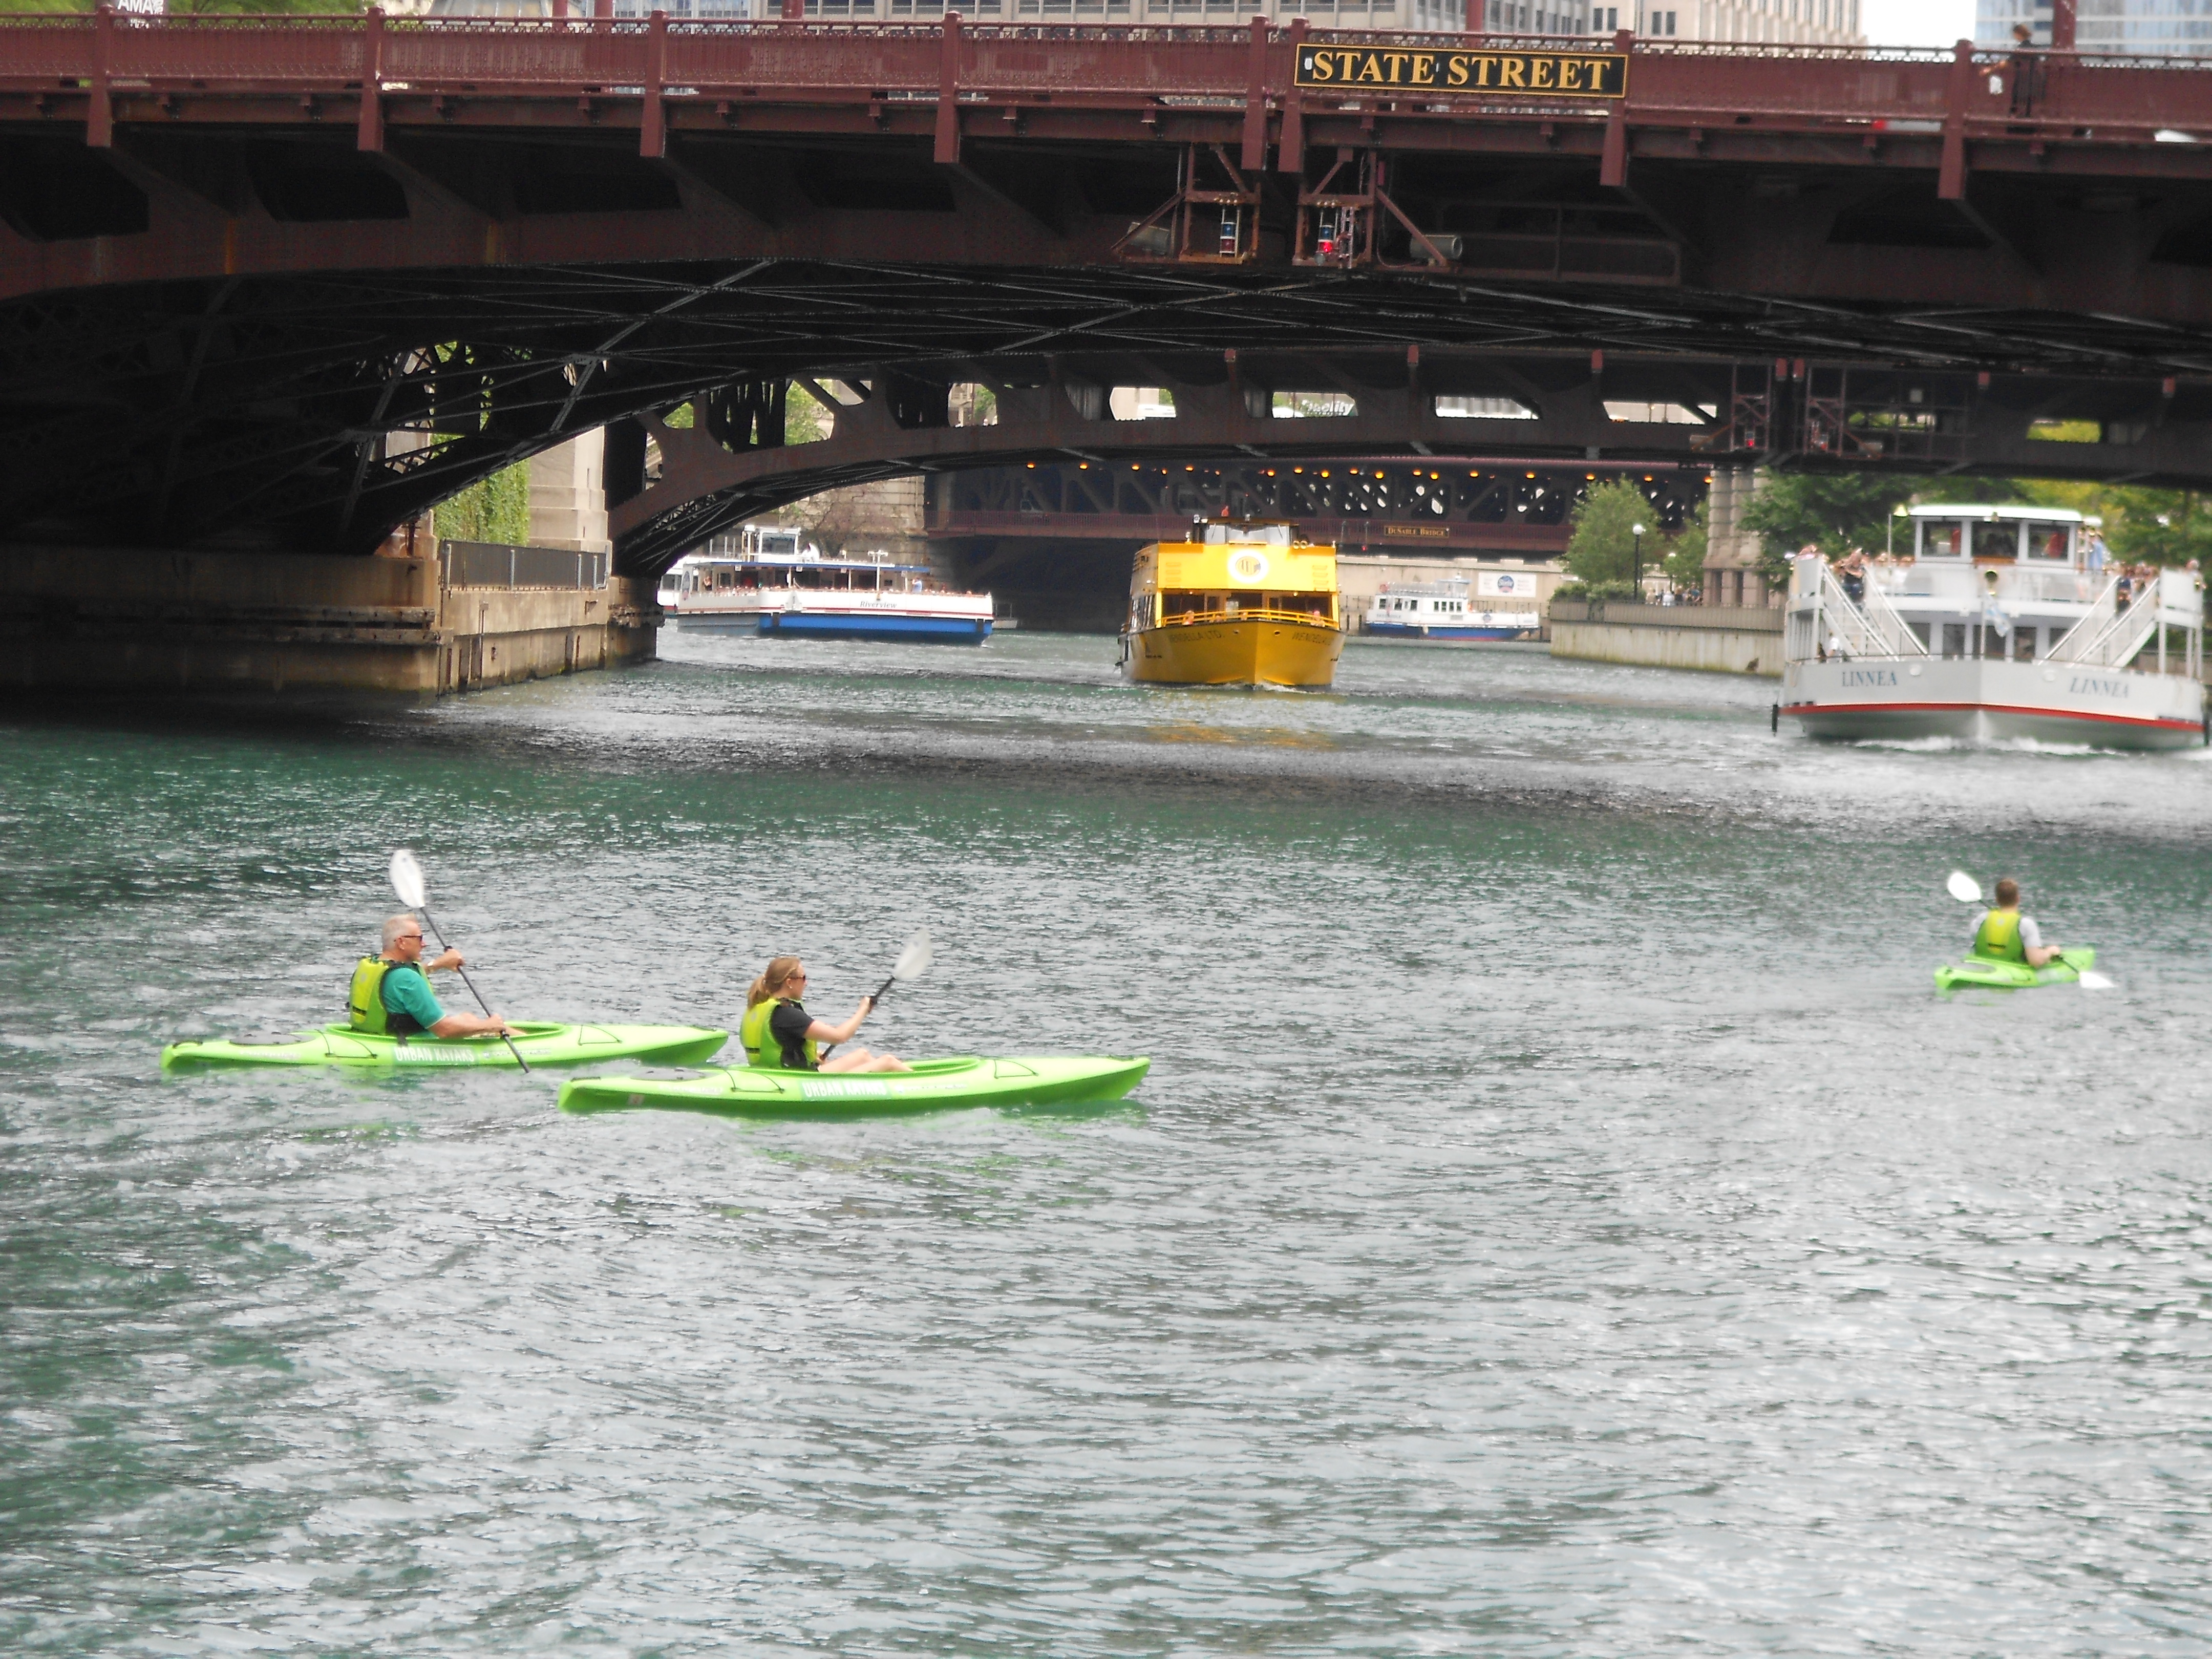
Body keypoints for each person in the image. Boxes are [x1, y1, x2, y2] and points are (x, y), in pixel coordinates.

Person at [348, 915, 514, 1039]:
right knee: (484, 1026)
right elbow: (445, 1030)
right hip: (407, 1043)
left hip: (374, 1035)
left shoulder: (373, 965)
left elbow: (399, 981)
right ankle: (526, 1044)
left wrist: (439, 964)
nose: (424, 944)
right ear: (401, 942)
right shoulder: (407, 979)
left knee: (468, 1018)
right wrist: (489, 1025)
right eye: (419, 938)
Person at [740, 955, 911, 1075]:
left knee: (863, 1055)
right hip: (798, 1080)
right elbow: (839, 1036)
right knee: (888, 1061)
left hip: (777, 1074)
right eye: (803, 978)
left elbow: (781, 1044)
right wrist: (863, 1010)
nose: (806, 983)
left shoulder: (759, 1008)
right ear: (789, 982)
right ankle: (920, 1087)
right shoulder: (786, 1014)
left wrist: (810, 1056)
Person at [1970, 877, 2064, 968]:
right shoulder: (2025, 924)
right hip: (2012, 969)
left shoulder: (1981, 919)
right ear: (2018, 898)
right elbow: (2036, 961)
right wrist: (2050, 951)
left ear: (1997, 899)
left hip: (1981, 967)